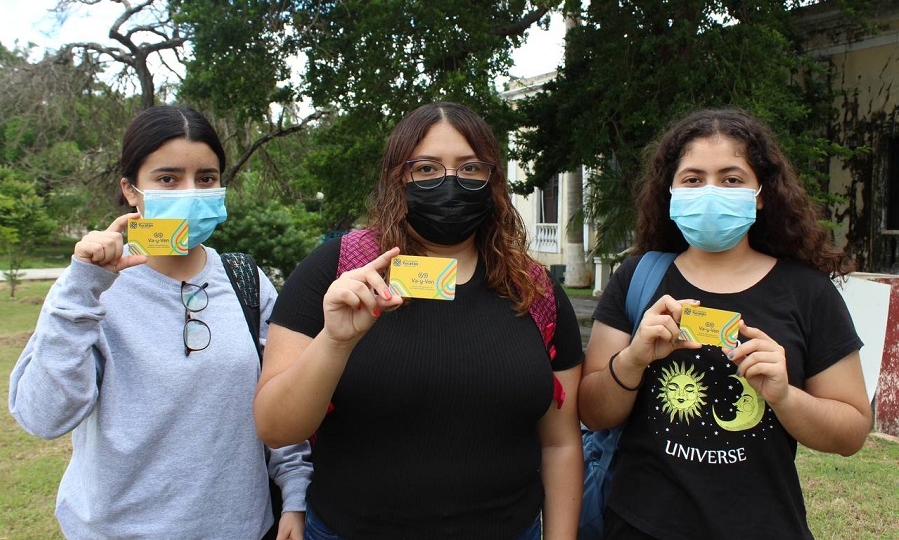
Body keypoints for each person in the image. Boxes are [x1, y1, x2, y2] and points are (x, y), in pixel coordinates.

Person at [254, 102, 584, 539]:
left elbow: (560, 444)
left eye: (470, 168)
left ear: (493, 181)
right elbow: (276, 428)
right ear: (398, 178)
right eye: (427, 169)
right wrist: (335, 341)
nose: (450, 182)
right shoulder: (334, 271)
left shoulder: (535, 289)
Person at [8, 106, 312, 540]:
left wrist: (294, 493)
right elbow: (44, 416)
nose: (190, 192)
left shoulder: (246, 280)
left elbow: (280, 397)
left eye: (205, 178)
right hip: (117, 530)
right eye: (168, 179)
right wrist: (83, 286)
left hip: (241, 527)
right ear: (131, 190)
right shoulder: (88, 290)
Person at [579, 108, 872, 539]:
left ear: (760, 193)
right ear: (671, 191)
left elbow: (851, 433)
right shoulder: (638, 278)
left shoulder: (808, 292)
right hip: (639, 524)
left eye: (731, 179)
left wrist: (785, 396)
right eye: (693, 179)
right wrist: (632, 360)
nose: (711, 192)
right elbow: (591, 410)